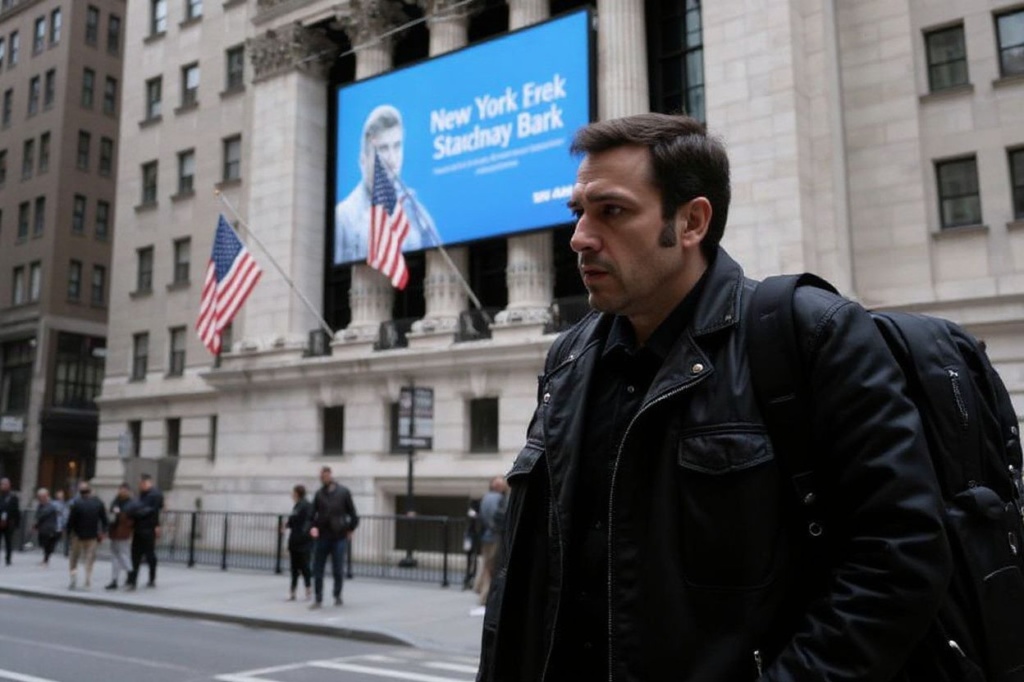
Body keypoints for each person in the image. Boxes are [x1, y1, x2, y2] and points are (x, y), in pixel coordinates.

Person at [477, 113, 952, 681]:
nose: (579, 237)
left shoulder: (811, 336)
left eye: (612, 211)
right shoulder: (569, 359)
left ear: (691, 222)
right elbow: (525, 578)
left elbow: (898, 560)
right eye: (578, 211)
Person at [334, 104, 438, 264]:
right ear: (363, 160)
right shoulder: (344, 218)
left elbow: (440, 257)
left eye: (397, 146)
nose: (392, 158)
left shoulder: (415, 211)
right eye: (383, 149)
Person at [309, 466, 359, 609]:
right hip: (323, 536)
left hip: (339, 535)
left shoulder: (343, 492)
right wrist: (313, 527)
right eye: (321, 476)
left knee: (338, 568)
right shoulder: (319, 494)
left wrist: (350, 529)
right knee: (318, 568)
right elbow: (312, 514)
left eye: (325, 476)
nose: (323, 478)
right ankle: (318, 598)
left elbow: (353, 513)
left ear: (330, 476)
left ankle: (337, 595)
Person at [66, 481, 108, 590]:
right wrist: (103, 532)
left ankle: (73, 578)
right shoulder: (98, 503)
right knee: (89, 560)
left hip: (77, 536)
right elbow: (104, 520)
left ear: (80, 492)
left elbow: (71, 521)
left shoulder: (76, 504)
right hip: (92, 536)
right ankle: (87, 581)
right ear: (90, 491)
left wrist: (68, 533)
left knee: (74, 559)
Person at [473, 476, 507, 606]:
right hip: (494, 536)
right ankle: (485, 596)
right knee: (491, 567)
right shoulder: (498, 498)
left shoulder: (486, 497)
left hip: (486, 536)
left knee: (486, 564)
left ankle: (480, 589)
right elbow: (496, 517)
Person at [126, 473, 163, 590]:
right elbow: (133, 508)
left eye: (141, 483)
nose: (139, 485)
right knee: (135, 556)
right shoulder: (142, 495)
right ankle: (133, 581)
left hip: (148, 529)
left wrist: (136, 512)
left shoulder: (155, 495)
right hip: (139, 528)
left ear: (146, 482)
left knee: (149, 554)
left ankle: (150, 579)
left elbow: (149, 511)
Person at [284, 484, 313, 601]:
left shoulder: (306, 505)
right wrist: (286, 525)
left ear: (297, 493)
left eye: (293, 492)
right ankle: (294, 591)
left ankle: (307, 590)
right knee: (295, 567)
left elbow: (309, 521)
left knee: (304, 567)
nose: (292, 495)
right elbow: (292, 521)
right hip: (296, 540)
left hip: (303, 541)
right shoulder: (297, 506)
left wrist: (304, 533)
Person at [104, 483, 134, 590]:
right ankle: (114, 579)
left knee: (124, 555)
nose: (122, 492)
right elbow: (112, 512)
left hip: (123, 532)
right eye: (121, 490)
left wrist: (119, 513)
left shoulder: (130, 503)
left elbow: (130, 517)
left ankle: (131, 576)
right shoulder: (116, 501)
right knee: (115, 556)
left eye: (124, 490)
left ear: (128, 491)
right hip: (114, 532)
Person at [31, 488, 59, 566]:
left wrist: (37, 523)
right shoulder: (40, 505)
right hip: (42, 528)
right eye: (39, 497)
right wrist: (36, 525)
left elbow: (43, 514)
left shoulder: (51, 505)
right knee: (42, 543)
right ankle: (46, 558)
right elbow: (38, 515)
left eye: (42, 496)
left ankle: (46, 559)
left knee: (47, 544)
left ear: (46, 496)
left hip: (49, 528)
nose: (40, 498)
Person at [0, 477, 19, 566]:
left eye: (5, 484)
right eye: (2, 484)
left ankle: (8, 558)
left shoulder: (13, 497)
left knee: (8, 541)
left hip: (9, 522)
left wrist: (16, 523)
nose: (3, 486)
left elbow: (16, 511)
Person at [52, 489, 69, 556]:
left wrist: (65, 522)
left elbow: (65, 514)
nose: (61, 496)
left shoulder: (64, 504)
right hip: (54, 522)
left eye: (62, 495)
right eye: (59, 495)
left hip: (60, 522)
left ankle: (54, 547)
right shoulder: (53, 503)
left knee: (58, 535)